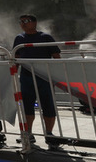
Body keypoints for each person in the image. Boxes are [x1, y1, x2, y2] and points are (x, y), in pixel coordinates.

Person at [13, 14, 61, 148]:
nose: (23, 23)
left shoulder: (45, 37)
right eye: (21, 21)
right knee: (27, 106)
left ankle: (49, 134)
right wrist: (12, 75)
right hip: (26, 77)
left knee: (48, 105)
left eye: (26, 21)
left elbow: (57, 57)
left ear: (35, 23)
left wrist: (56, 76)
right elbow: (15, 58)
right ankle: (28, 133)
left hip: (44, 78)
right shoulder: (19, 38)